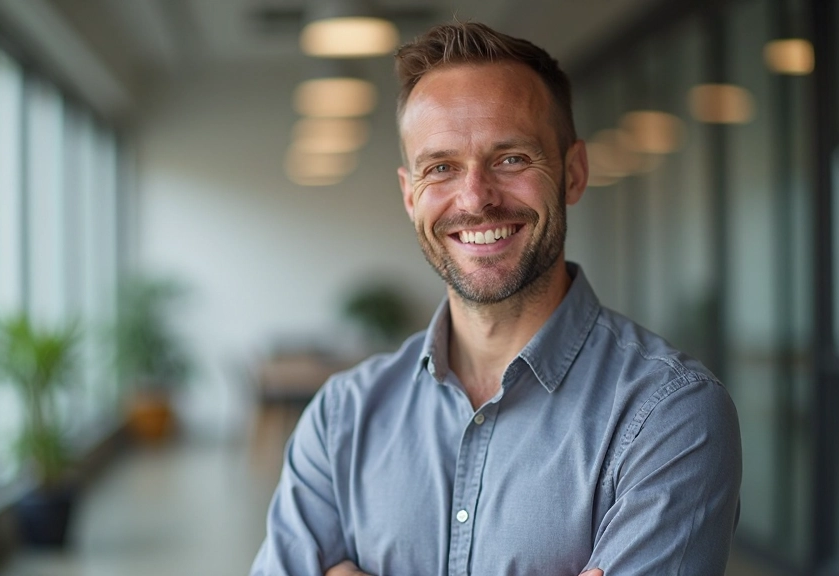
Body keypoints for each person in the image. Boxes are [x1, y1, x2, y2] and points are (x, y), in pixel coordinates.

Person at [251, 21, 741, 576]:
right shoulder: (340, 418)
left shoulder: (670, 415)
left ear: (574, 173)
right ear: (410, 195)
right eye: (441, 167)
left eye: (510, 159)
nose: (476, 198)